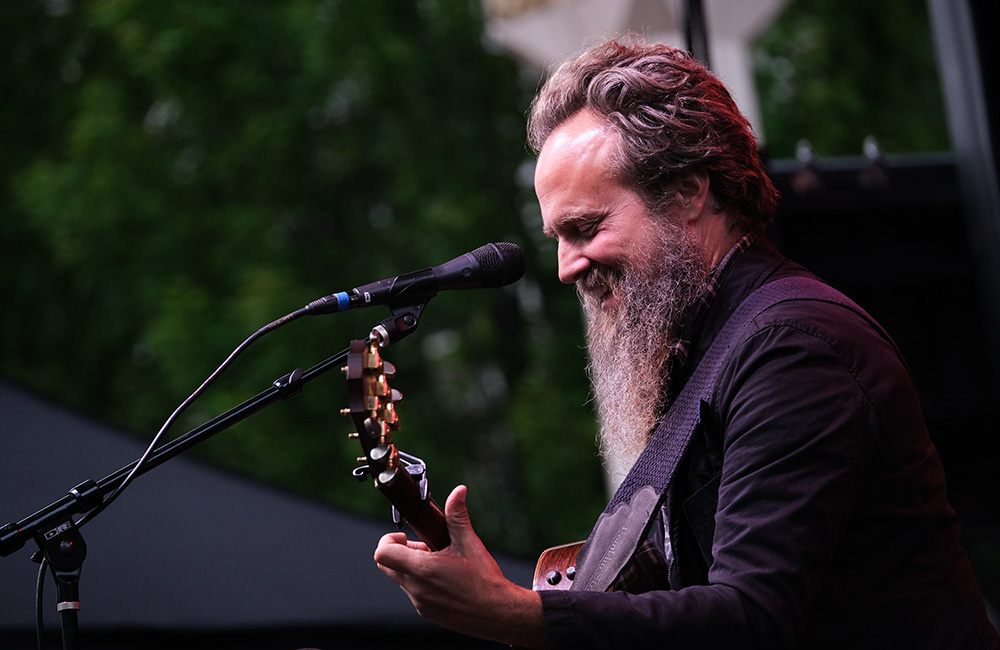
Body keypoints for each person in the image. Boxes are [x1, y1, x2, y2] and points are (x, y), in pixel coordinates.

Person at [373, 35, 1000, 649]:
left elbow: (751, 616)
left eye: (586, 228)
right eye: (556, 239)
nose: (567, 267)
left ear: (686, 192)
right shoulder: (705, 346)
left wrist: (516, 615)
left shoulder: (793, 346)